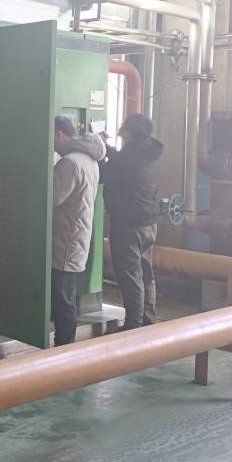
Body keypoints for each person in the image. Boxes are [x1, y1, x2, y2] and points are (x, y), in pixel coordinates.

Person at [102, 113, 164, 330]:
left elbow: (103, 174)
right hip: (149, 222)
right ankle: (147, 319)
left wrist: (98, 148)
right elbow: (121, 163)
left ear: (128, 131)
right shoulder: (147, 152)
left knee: (130, 275)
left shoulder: (127, 157)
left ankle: (133, 324)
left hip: (128, 225)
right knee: (146, 273)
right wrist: (108, 149)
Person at [52, 116, 105, 346]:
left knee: (62, 297)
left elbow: (52, 198)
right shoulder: (89, 160)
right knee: (66, 295)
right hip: (76, 235)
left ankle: (65, 346)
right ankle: (66, 344)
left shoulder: (69, 163)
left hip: (66, 239)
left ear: (58, 134)